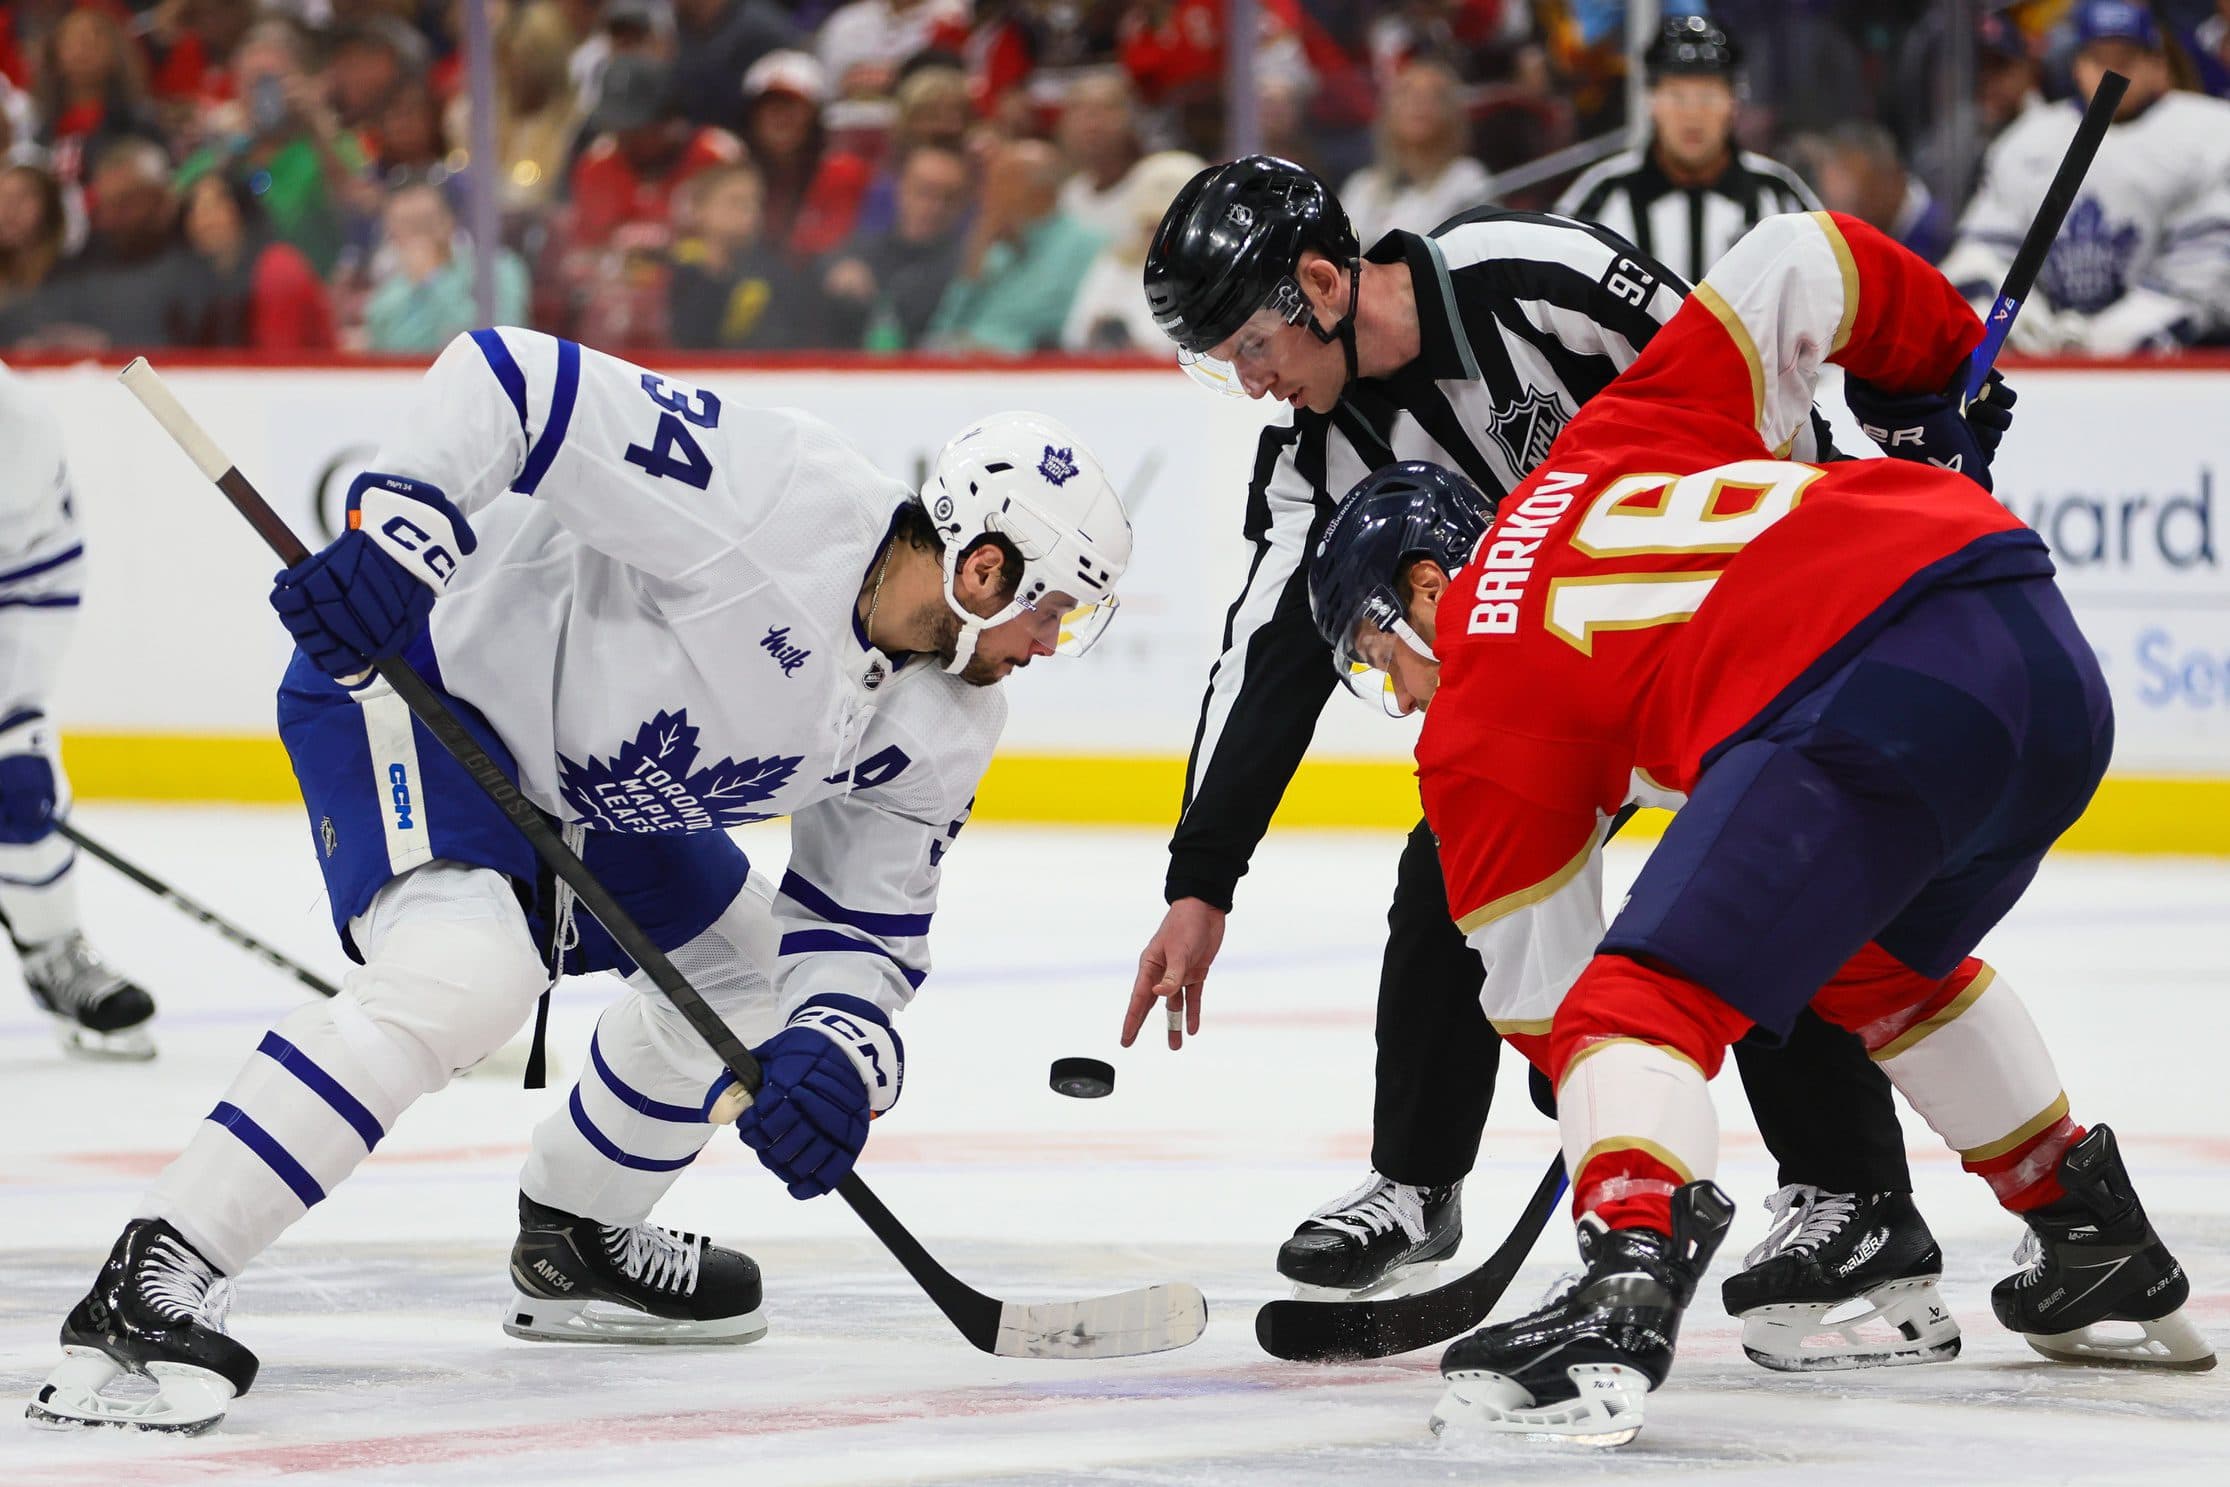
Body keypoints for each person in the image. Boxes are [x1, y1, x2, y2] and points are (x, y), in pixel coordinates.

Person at [27, 327, 1132, 1434]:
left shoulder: (950, 719)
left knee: (754, 992)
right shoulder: (776, 502)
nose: (1049, 642)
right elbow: (512, 381)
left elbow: (860, 930)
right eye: (1055, 608)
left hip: (596, 791)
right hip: (423, 690)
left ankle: (574, 1236)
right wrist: (399, 535)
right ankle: (154, 1271)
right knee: (469, 974)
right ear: (986, 565)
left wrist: (832, 1054)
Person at [1306, 210, 2213, 1447]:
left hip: (1871, 688)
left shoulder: (1471, 709)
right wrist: (1930, 380)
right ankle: (2085, 1225)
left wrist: (1597, 1102)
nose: (1392, 687)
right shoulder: (1603, 441)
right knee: (1870, 960)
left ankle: (1619, 1290)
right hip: (2035, 645)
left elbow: (1550, 1000)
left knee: (1635, 1005)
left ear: (1421, 583)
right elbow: (1807, 255)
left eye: (1369, 651)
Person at [1128, 154, 1969, 1375]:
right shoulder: (1314, 457)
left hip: (1728, 624)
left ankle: (1854, 1197)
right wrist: (1201, 878)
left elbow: (1740, 369)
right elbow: (1264, 653)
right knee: (1449, 865)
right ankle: (1416, 1181)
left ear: (1319, 281)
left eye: (1249, 346)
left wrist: (1862, 512)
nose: (1252, 384)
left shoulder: (1533, 275)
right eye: (1223, 366)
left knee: (1754, 863)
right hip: (1573, 691)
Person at [0, 361, 156, 1059]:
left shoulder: (17, 426)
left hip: (19, 595)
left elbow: (32, 577)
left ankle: (53, 952)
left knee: (17, 783)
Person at [1938, 1, 2230, 355]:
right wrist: (2021, 325)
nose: (2110, 72)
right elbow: (1982, 252)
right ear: (2076, 66)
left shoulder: (2211, 132)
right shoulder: (2026, 139)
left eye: (2125, 60)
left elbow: (2208, 271)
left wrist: (2104, 338)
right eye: (2098, 59)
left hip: (2180, 367)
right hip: (2045, 355)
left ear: (2158, 64)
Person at [1554, 14, 1818, 285]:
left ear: (1733, 102)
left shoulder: (1780, 195)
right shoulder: (1599, 196)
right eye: (1677, 96)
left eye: (1707, 96)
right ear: (1650, 100)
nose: (1692, 115)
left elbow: (1824, 284)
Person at [924, 138, 1103, 354]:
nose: (988, 192)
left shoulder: (1088, 245)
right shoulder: (996, 246)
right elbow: (944, 326)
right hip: (960, 362)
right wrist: (975, 258)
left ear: (1042, 191)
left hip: (1028, 370)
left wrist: (1000, 347)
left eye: (1003, 181)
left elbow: (1067, 325)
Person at [821, 139, 971, 350]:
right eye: (925, 191)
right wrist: (834, 268)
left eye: (949, 197)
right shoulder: (858, 251)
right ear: (901, 188)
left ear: (964, 202)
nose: (936, 207)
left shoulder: (971, 265)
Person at [667, 161, 823, 349]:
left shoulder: (777, 276)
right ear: (699, 209)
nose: (750, 212)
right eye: (736, 201)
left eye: (755, 202)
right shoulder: (670, 271)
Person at [1338, 58, 1492, 247]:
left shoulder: (1467, 180)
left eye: (1434, 96)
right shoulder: (1361, 186)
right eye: (1406, 93)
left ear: (1453, 113)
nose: (1418, 103)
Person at [176, 171, 336, 351]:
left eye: (214, 206)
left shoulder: (278, 269)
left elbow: (278, 364)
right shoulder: (205, 281)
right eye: (193, 208)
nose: (202, 219)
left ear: (242, 208)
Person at [362, 183, 529, 353]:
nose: (415, 235)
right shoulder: (394, 286)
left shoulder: (499, 268)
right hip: (405, 376)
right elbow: (384, 344)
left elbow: (500, 337)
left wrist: (433, 279)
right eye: (403, 225)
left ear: (447, 221)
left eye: (423, 223)